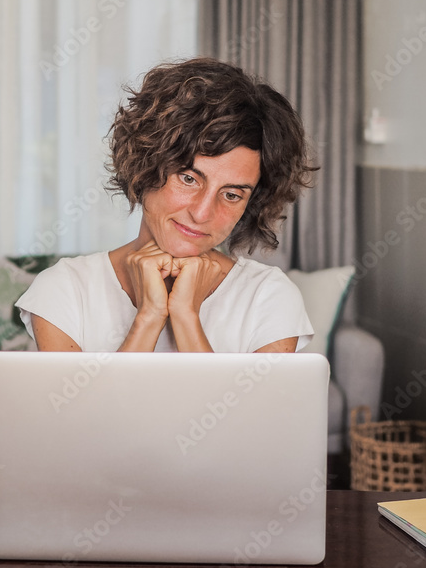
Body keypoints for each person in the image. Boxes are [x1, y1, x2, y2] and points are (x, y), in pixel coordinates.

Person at [16, 57, 317, 353]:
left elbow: (247, 406)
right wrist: (148, 318)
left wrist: (186, 317)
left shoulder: (268, 296)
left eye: (231, 194)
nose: (202, 214)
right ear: (145, 167)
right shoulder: (66, 289)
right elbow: (80, 405)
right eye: (188, 179)